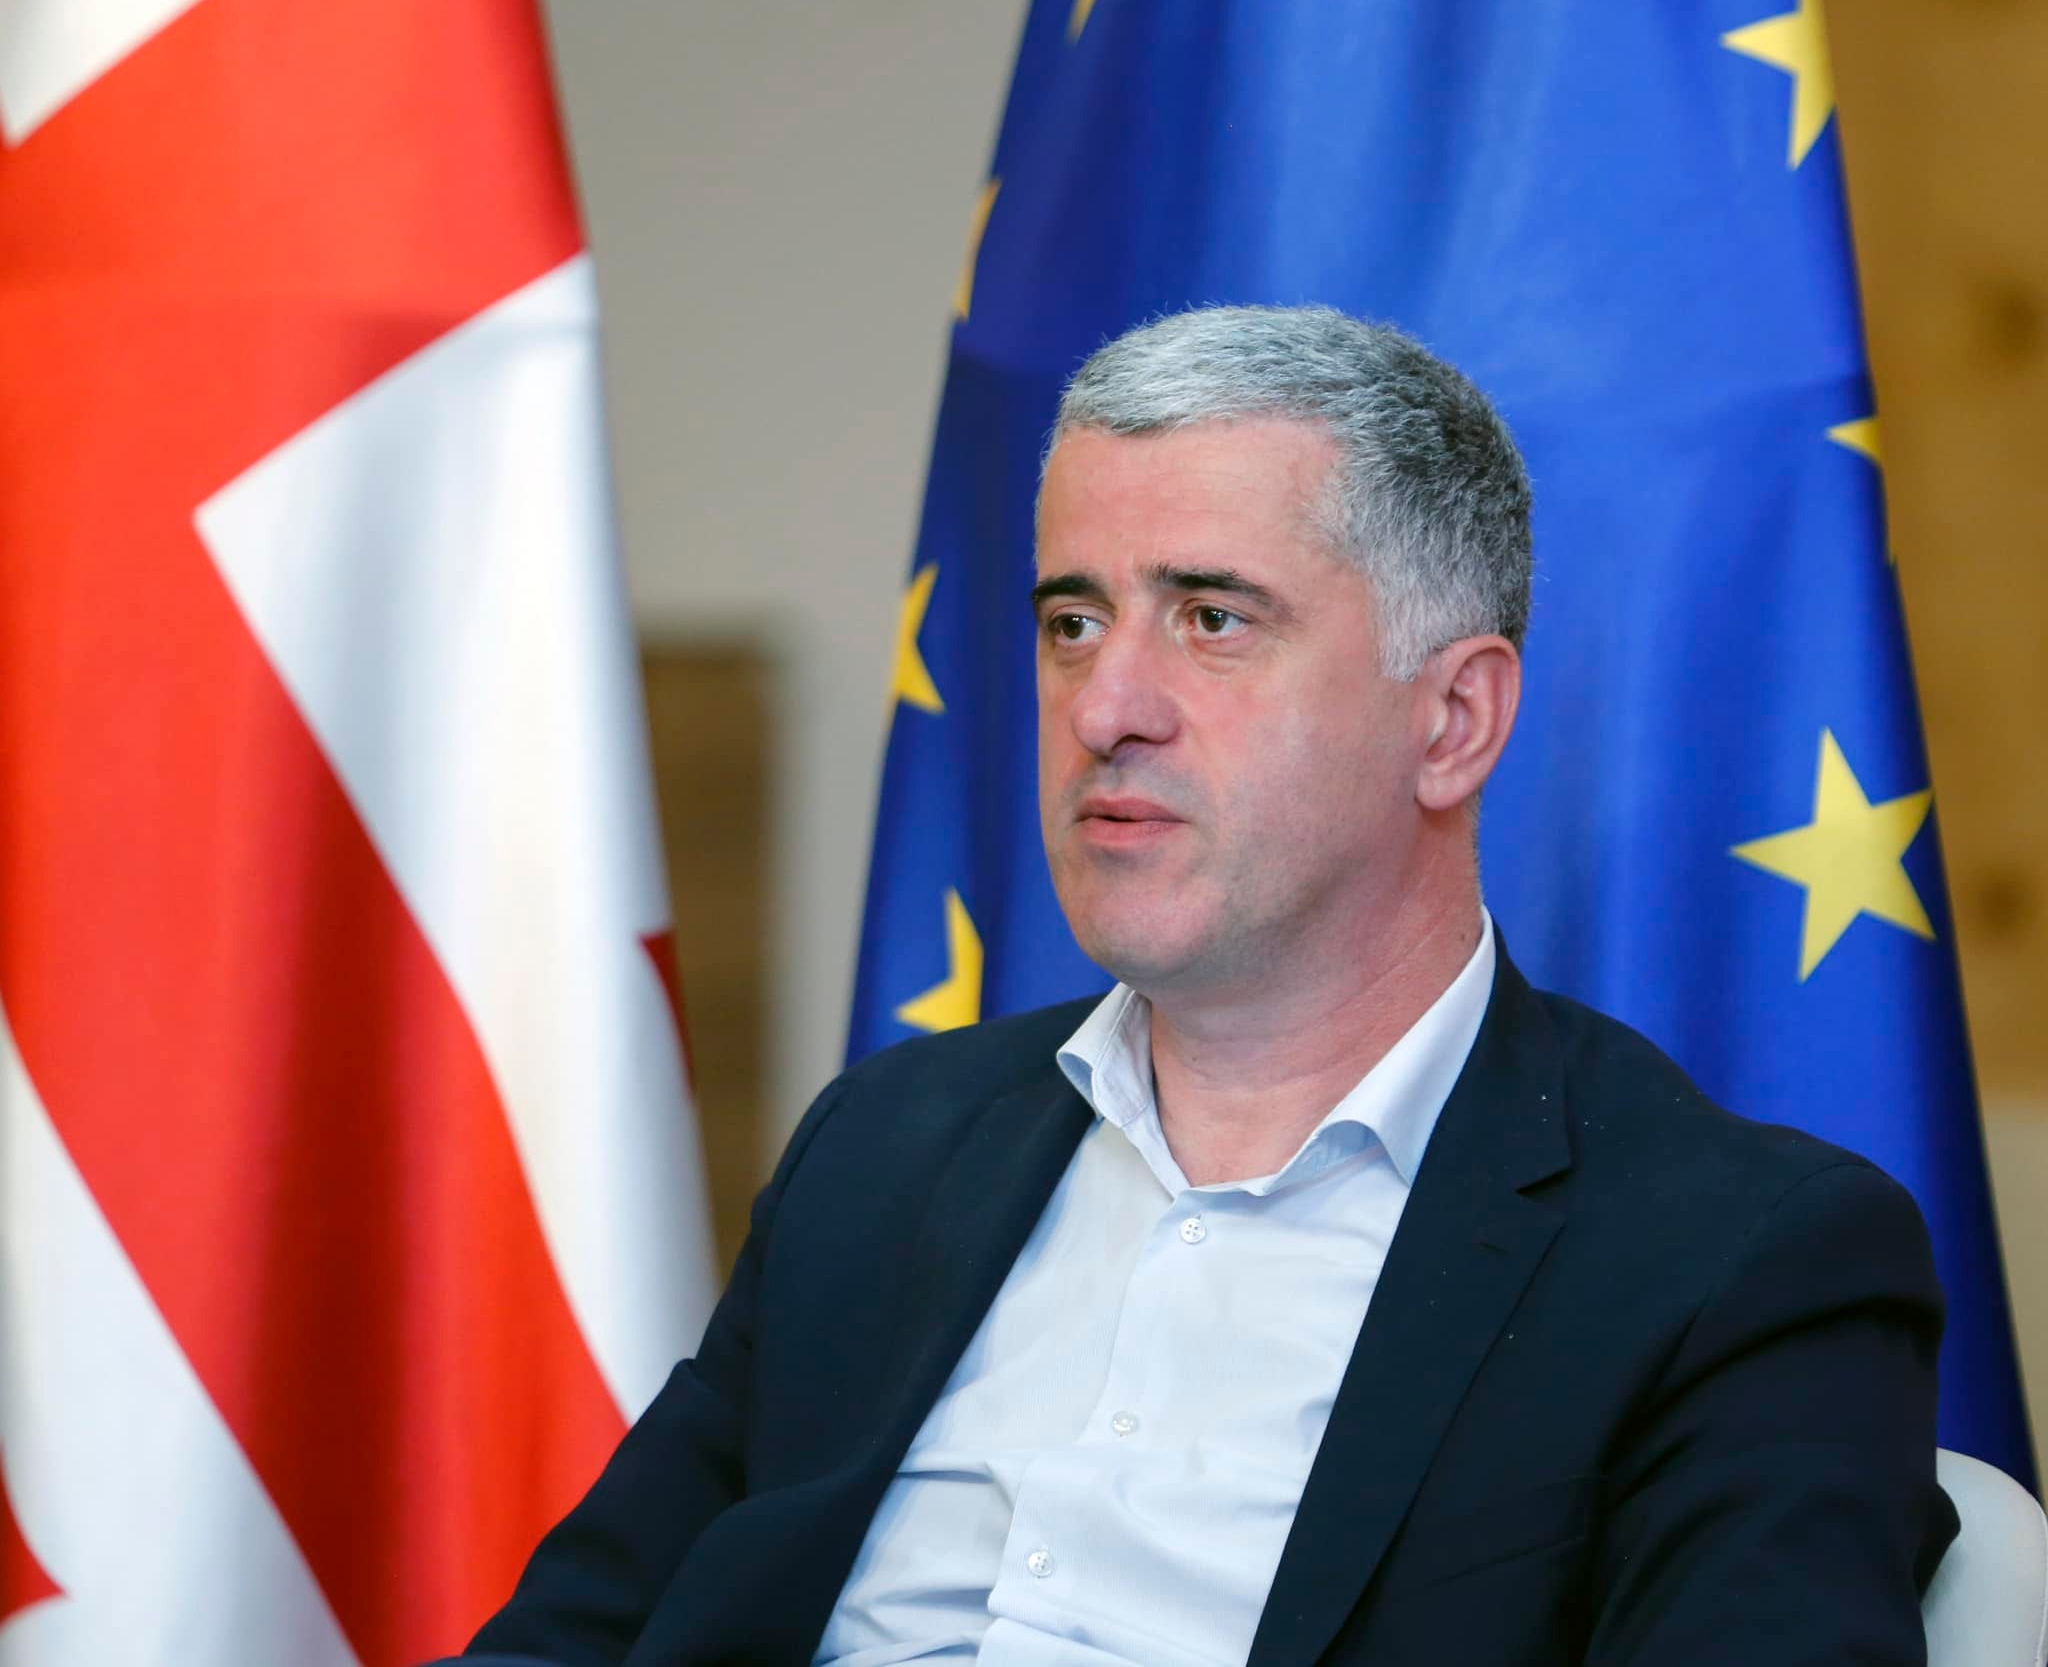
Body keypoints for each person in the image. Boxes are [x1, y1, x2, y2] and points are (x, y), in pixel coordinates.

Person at [455, 307, 1957, 1665]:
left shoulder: (1738, 1261)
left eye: (1213, 619)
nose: (1106, 707)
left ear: (1452, 720)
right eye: (1072, 623)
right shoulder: (890, 1144)